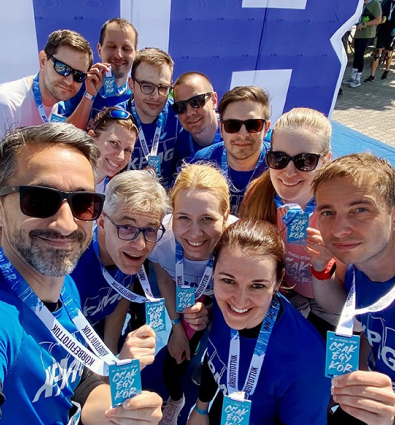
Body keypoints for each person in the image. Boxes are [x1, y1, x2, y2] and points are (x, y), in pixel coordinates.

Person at [0, 123, 162, 425]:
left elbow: (74, 380)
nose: (66, 224)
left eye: (83, 203)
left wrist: (120, 412)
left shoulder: (63, 286)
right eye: (40, 200)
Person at [187, 219, 331, 425]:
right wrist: (201, 408)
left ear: (278, 281)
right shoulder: (222, 307)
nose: (239, 301)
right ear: (214, 272)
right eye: (228, 280)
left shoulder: (307, 362)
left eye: (257, 286)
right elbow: (216, 359)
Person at [0, 29, 94, 255]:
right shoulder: (4, 102)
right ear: (43, 60)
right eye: (62, 68)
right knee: (6, 268)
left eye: (78, 76)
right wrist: (31, 165)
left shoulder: (57, 102)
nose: (69, 80)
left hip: (36, 198)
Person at [309, 153, 395, 425]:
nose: (339, 230)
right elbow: (364, 320)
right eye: (328, 213)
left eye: (360, 210)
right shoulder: (356, 267)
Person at [241, 107, 342, 334]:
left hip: (326, 302)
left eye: (305, 161)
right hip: (278, 294)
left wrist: (322, 268)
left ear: (325, 161)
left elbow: (337, 306)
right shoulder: (258, 196)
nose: (289, 172)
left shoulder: (340, 212)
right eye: (279, 158)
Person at [148, 163, 232, 425]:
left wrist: (212, 311)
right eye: (183, 218)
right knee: (175, 360)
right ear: (172, 214)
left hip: (227, 300)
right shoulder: (159, 239)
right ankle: (176, 399)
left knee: (223, 357)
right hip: (186, 296)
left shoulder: (240, 245)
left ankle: (203, 408)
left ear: (226, 215)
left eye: (207, 219)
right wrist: (176, 328)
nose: (195, 233)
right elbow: (164, 279)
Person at [71, 170, 170, 357]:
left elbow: (122, 295)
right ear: (102, 224)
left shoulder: (125, 254)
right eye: (127, 227)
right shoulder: (72, 265)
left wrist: (111, 351)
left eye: (150, 229)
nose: (140, 245)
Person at [191, 86, 270, 214]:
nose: (243, 134)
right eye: (232, 125)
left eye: (253, 125)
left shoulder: (280, 165)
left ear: (266, 128)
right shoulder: (201, 162)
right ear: (221, 129)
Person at [119, 47, 182, 186]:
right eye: (147, 86)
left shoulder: (179, 115)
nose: (155, 96)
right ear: (131, 85)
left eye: (162, 87)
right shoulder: (115, 120)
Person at [68, 18, 139, 128]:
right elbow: (62, 134)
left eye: (126, 48)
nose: (118, 55)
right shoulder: (77, 86)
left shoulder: (139, 97)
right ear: (99, 49)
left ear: (136, 54)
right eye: (112, 46)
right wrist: (89, 95)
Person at [172, 72, 221, 166]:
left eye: (196, 101)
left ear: (214, 100)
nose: (190, 112)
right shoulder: (176, 144)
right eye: (181, 106)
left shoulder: (234, 135)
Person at [88, 107, 139, 193]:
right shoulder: (65, 176)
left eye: (127, 150)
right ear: (91, 138)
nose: (121, 157)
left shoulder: (118, 193)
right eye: (114, 143)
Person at [343, 0, 382, 87]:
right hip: (358, 33)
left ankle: (358, 78)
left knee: (360, 54)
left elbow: (378, 20)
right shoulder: (361, 4)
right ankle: (353, 76)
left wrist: (365, 24)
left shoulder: (374, 4)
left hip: (367, 34)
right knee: (356, 55)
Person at [365, 0, 395, 81]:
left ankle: (387, 69)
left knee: (388, 52)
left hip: (392, 31)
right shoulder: (387, 2)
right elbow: (380, 13)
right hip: (383, 29)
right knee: (378, 51)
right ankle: (372, 75)